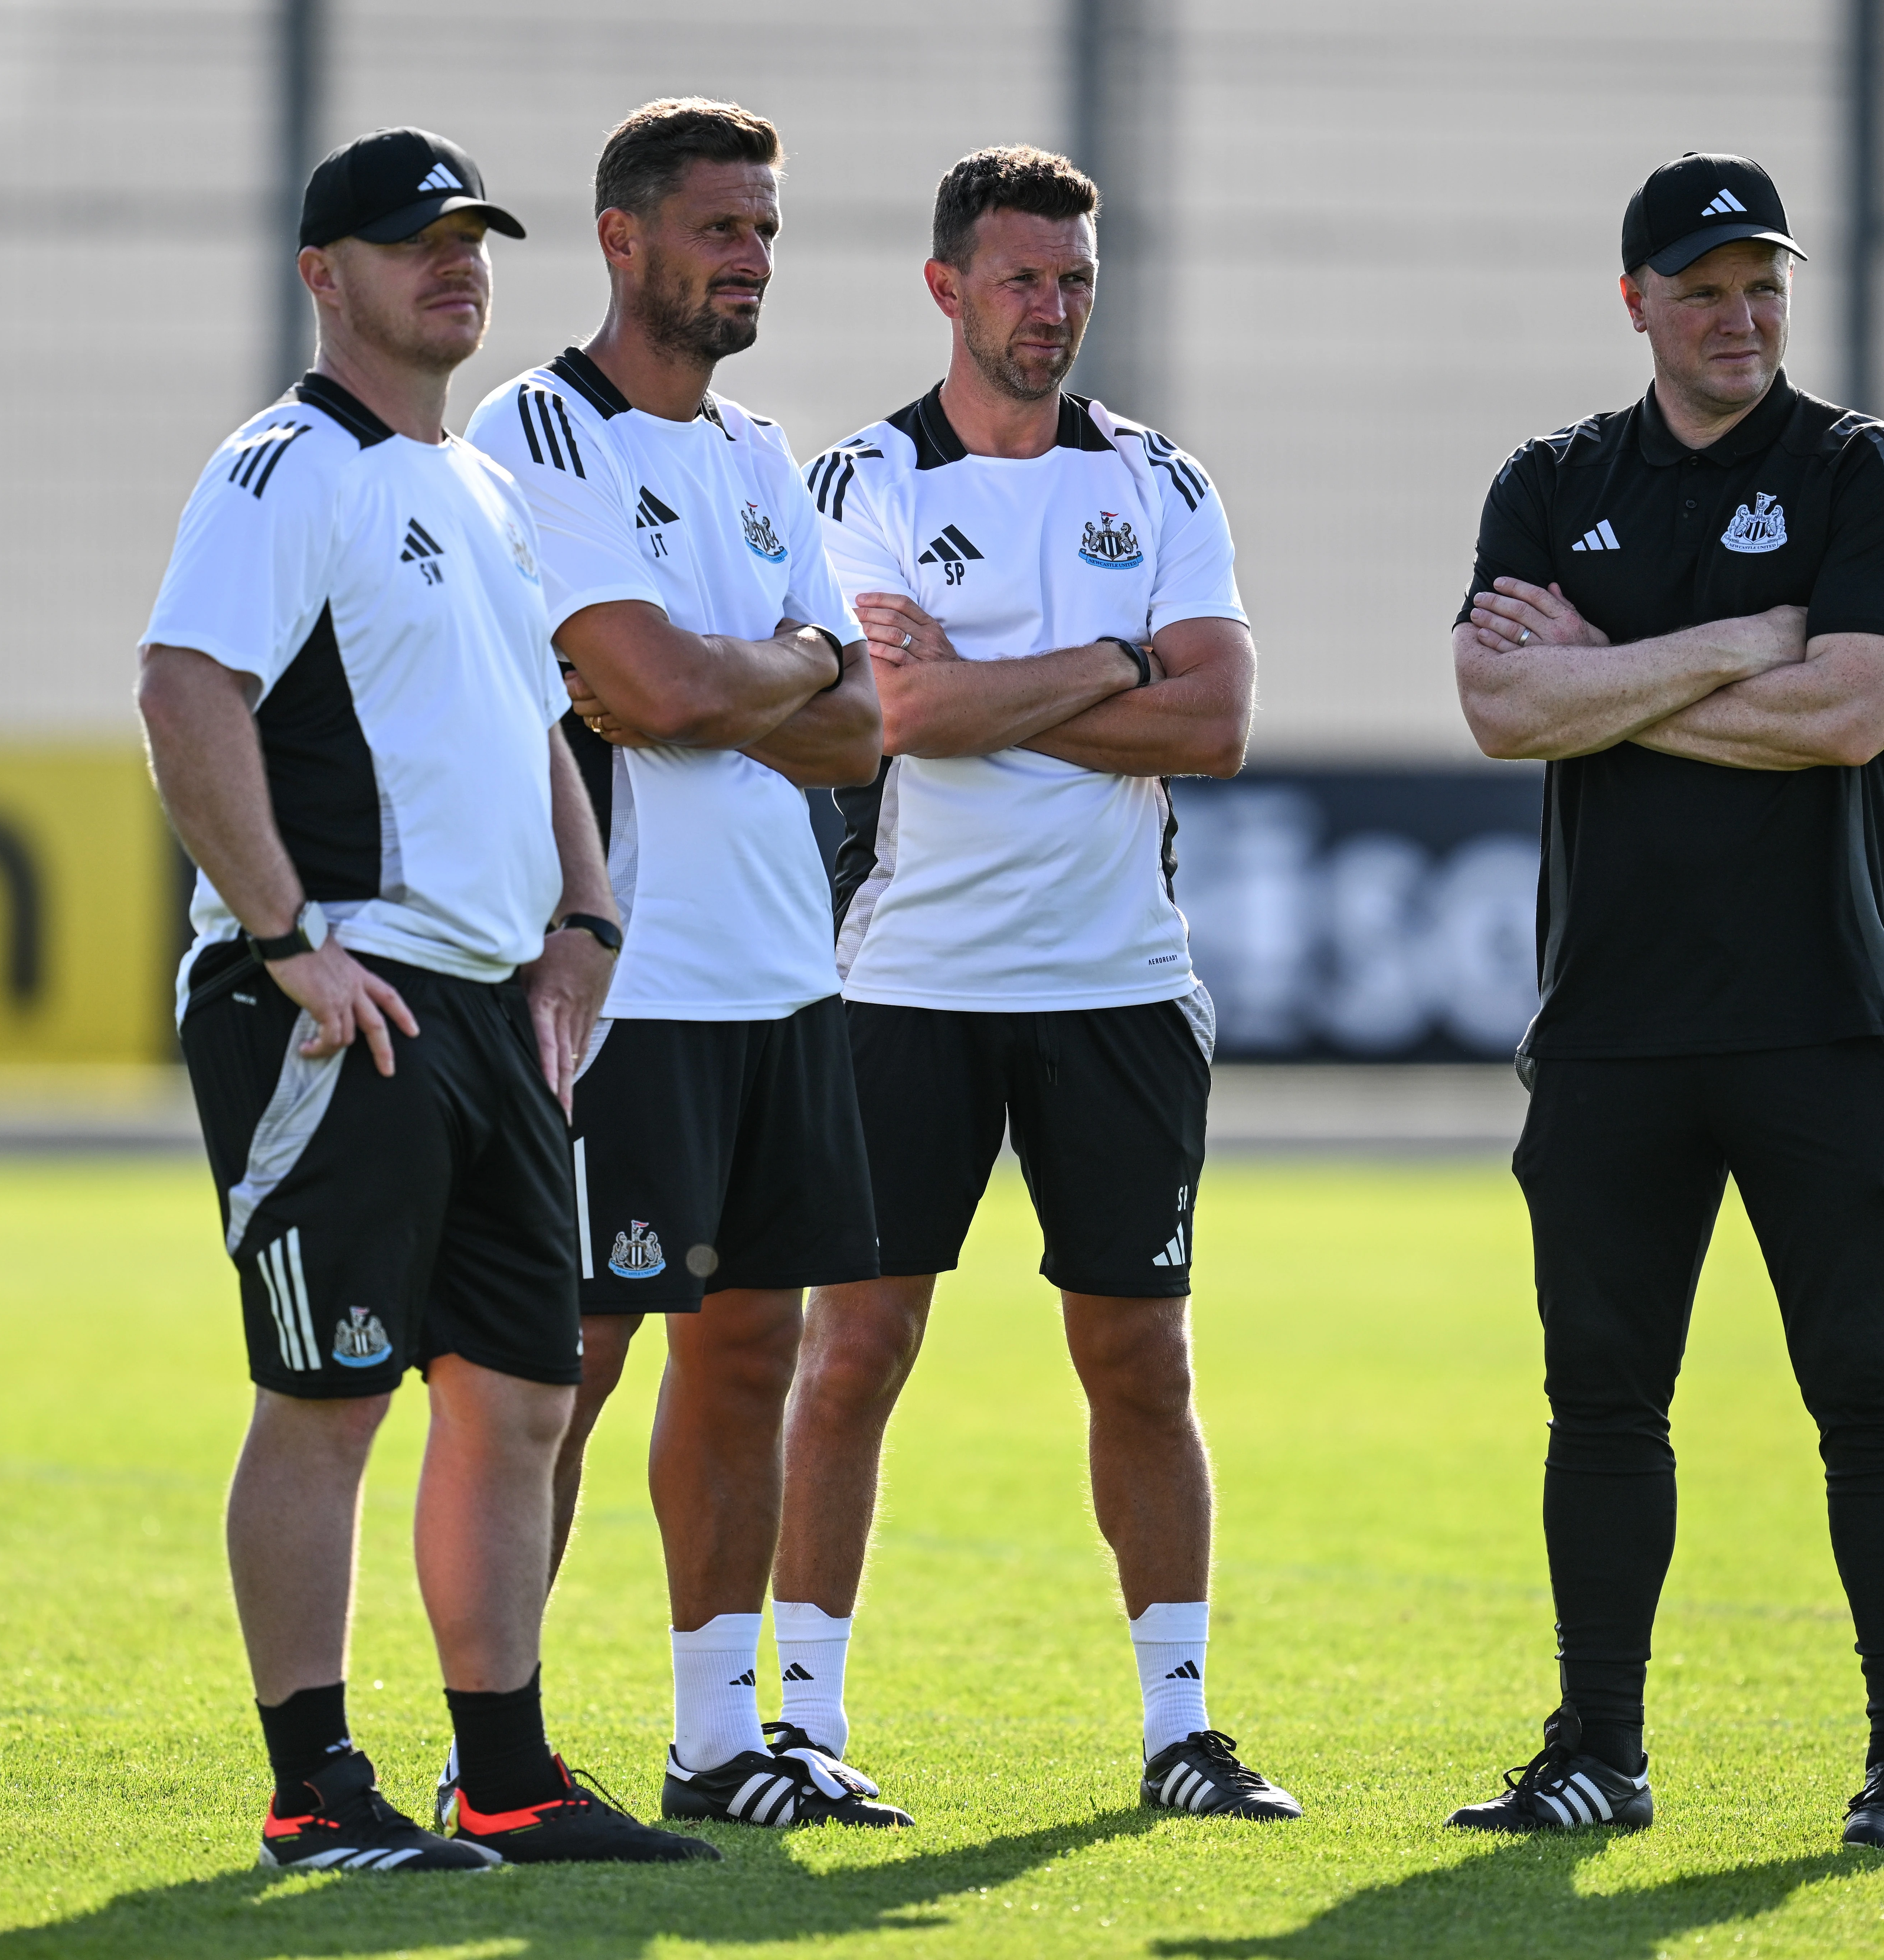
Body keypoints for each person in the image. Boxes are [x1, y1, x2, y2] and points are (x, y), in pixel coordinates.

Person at [137, 126, 715, 1871]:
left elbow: (534, 720)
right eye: (413, 243)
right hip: (342, 997)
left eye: (471, 238)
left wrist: (589, 914)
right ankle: (313, 1789)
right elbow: (184, 692)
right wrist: (286, 933)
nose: (454, 266)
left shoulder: (471, 485)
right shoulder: (279, 467)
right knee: (330, 1394)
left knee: (523, 1397)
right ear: (326, 276)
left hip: (486, 1001)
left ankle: (510, 1778)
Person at [771, 145, 1300, 1824]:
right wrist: (1118, 667)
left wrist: (1005, 680)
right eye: (1021, 279)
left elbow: (1215, 725)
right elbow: (897, 716)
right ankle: (798, 1720)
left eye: (1075, 280)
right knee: (856, 1350)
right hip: (902, 980)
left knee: (1141, 1358)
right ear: (946, 288)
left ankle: (1182, 1731)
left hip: (1121, 985)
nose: (1053, 308)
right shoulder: (859, 478)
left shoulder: (1162, 481)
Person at [1444, 152, 1884, 1852]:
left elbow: (1849, 717)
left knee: (1868, 1391)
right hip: (1610, 1031)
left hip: (1826, 1018)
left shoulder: (1867, 469)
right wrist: (1747, 639)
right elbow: (1500, 715)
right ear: (1638, 302)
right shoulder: (1552, 478)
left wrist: (1599, 677)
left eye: (1763, 286)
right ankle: (1599, 1747)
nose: (1741, 318)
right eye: (1705, 288)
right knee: (1600, 1400)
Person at [461, 99, 902, 1830]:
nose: (752, 261)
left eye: (769, 233)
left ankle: (721, 1743)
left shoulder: (759, 456)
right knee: (566, 1370)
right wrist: (784, 662)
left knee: (750, 1360)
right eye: (722, 228)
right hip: (613, 986)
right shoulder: (538, 433)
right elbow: (647, 693)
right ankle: (494, 1739)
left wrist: (761, 672)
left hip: (781, 976)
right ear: (623, 239)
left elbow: (864, 732)